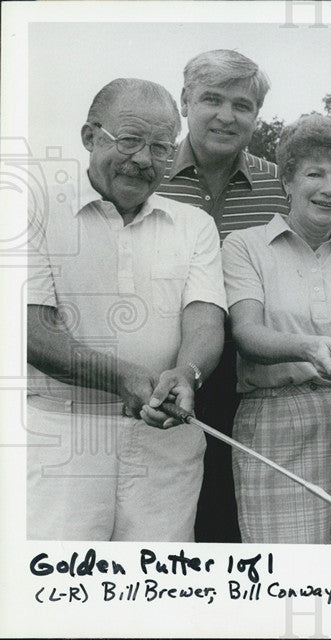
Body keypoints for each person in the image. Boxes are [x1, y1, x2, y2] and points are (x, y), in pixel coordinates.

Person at [26, 78, 226, 541]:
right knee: (60, 590)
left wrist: (189, 373)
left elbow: (206, 319)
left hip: (164, 443)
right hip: (61, 436)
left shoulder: (194, 225)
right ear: (90, 137)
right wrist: (122, 377)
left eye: (160, 147)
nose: (142, 159)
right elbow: (30, 330)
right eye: (130, 140)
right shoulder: (30, 206)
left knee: (157, 595)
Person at [221, 114, 331, 544]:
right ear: (288, 180)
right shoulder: (244, 246)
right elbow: (247, 335)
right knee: (285, 570)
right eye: (315, 173)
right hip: (272, 418)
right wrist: (310, 348)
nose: (330, 188)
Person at [156, 50, 288, 543]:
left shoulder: (281, 186)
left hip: (251, 373)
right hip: (167, 364)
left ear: (258, 116)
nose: (227, 116)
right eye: (212, 99)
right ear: (185, 100)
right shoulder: (150, 174)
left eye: (243, 105)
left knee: (235, 510)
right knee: (166, 506)